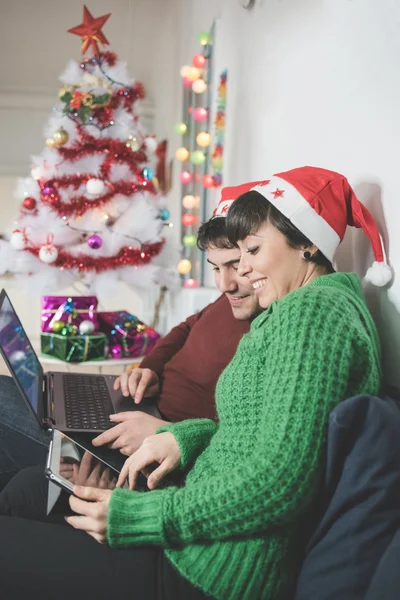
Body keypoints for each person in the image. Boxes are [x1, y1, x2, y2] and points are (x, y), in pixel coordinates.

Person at [0, 166, 389, 600]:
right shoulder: (296, 310)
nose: (242, 269)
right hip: (197, 530)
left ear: (308, 242)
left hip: (213, 570)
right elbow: (256, 437)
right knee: (29, 489)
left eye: (252, 250)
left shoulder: (313, 316)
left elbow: (280, 481)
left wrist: (139, 515)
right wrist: (182, 438)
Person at [0, 215, 260, 490]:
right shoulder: (235, 297)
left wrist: (163, 431)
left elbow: (243, 438)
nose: (224, 284)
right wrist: (149, 367)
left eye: (234, 266)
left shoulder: (269, 328)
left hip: (156, 443)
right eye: (217, 268)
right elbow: (188, 327)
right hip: (138, 406)